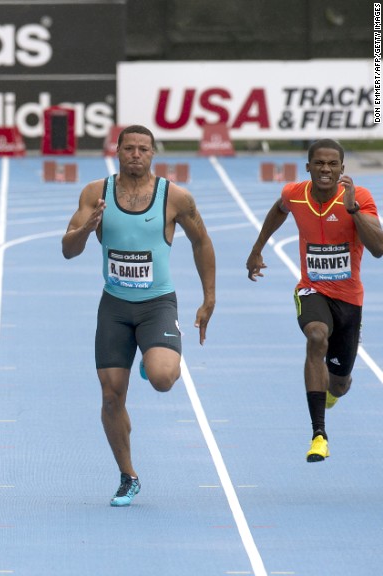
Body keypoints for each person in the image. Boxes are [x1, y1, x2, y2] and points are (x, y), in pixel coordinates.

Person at [62, 124, 216, 507]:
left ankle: (153, 358)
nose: (135, 155)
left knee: (163, 378)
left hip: (156, 304)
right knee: (112, 397)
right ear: (117, 151)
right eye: (128, 148)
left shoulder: (174, 197)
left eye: (143, 149)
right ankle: (128, 475)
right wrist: (87, 227)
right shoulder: (95, 193)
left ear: (152, 154)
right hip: (114, 306)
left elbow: (202, 242)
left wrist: (208, 298)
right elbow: (68, 249)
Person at [246, 139, 382, 463]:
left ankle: (332, 390)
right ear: (308, 167)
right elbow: (278, 211)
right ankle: (319, 434)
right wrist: (257, 248)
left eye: (332, 164)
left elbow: (378, 248)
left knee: (341, 384)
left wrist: (353, 211)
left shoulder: (359, 198)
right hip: (312, 289)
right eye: (319, 163)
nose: (325, 169)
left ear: (342, 169)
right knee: (316, 336)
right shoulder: (294, 193)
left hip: (349, 300)